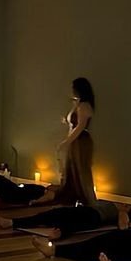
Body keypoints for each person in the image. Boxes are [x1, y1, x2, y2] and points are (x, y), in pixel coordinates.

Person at [0, 201, 131, 240]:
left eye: (127, 206)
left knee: (72, 222)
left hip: (93, 216)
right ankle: (11, 222)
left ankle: (60, 233)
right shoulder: (108, 204)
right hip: (85, 210)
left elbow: (123, 226)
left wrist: (124, 213)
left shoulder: (121, 212)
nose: (125, 205)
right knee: (49, 215)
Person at [54, 77, 96, 207]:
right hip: (75, 140)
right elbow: (75, 122)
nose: (71, 91)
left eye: (73, 88)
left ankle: (85, 199)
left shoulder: (84, 105)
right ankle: (71, 197)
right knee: (71, 169)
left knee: (80, 169)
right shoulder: (79, 105)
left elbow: (80, 126)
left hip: (80, 141)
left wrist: (67, 141)